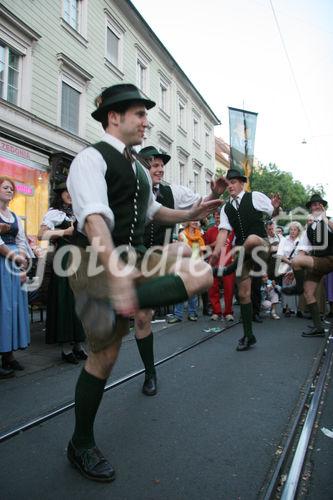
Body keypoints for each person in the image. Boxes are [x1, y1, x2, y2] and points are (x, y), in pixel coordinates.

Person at [65, 83, 221, 482]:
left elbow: (153, 212)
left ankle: (127, 303)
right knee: (104, 358)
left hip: (132, 260)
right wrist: (116, 273)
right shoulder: (90, 158)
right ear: (114, 117)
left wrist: (190, 213)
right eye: (140, 114)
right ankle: (80, 443)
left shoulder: (137, 167)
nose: (146, 122)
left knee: (199, 269)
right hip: (96, 261)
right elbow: (95, 218)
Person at [133, 144, 226, 396]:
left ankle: (171, 300)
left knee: (185, 251)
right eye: (154, 164)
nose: (159, 168)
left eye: (162, 164)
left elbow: (198, 205)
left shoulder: (172, 191)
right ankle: (150, 372)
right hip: (135, 257)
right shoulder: (133, 189)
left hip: (159, 257)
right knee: (142, 318)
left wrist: (213, 193)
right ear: (142, 167)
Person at [211, 168, 281, 351]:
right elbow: (223, 232)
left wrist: (275, 207)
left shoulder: (255, 196)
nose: (230, 186)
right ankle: (248, 335)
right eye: (228, 183)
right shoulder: (226, 208)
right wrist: (216, 254)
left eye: (233, 182)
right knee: (243, 294)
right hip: (244, 255)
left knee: (249, 240)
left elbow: (272, 214)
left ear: (242, 183)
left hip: (260, 245)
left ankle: (230, 268)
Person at [38, 183, 87, 364]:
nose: (71, 194)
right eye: (67, 191)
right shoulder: (54, 213)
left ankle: (78, 345)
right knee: (66, 299)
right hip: (64, 259)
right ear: (61, 194)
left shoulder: (79, 212)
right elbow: (41, 234)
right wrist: (64, 231)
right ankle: (66, 348)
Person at [282, 193, 333, 337]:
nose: (315, 206)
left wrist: (324, 218)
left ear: (323, 207)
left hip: (329, 259)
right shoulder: (309, 227)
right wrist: (294, 268)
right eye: (313, 204)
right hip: (317, 262)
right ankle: (318, 328)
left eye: (318, 204)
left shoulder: (328, 221)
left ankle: (297, 288)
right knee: (308, 293)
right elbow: (303, 250)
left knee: (297, 264)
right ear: (310, 208)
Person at [0, 176, 30, 377]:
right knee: (3, 308)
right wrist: (14, 258)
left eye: (11, 188)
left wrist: (23, 267)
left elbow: (21, 243)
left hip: (13, 266)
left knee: (13, 309)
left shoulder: (15, 216)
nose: (9, 190)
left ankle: (8, 355)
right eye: (5, 187)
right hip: (2, 264)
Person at [168, 220, 206, 322]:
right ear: (188, 222)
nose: (195, 222)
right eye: (193, 220)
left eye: (197, 220)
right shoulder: (182, 235)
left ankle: (192, 313)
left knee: (192, 291)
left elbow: (201, 254)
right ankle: (178, 315)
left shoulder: (200, 236)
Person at [204, 210, 235, 321]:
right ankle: (216, 311)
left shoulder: (231, 231)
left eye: (220, 217)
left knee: (229, 289)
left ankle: (228, 312)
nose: (218, 218)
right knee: (213, 289)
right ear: (214, 218)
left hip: (228, 264)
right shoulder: (210, 232)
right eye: (216, 217)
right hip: (214, 264)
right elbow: (205, 247)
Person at [276, 221, 302, 317]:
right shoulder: (284, 239)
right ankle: (287, 308)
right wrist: (289, 262)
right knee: (286, 284)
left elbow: (302, 254)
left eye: (295, 229)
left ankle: (298, 308)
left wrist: (294, 264)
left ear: (298, 231)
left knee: (296, 285)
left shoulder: (301, 240)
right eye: (291, 229)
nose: (292, 231)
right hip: (286, 264)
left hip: (298, 265)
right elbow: (280, 254)